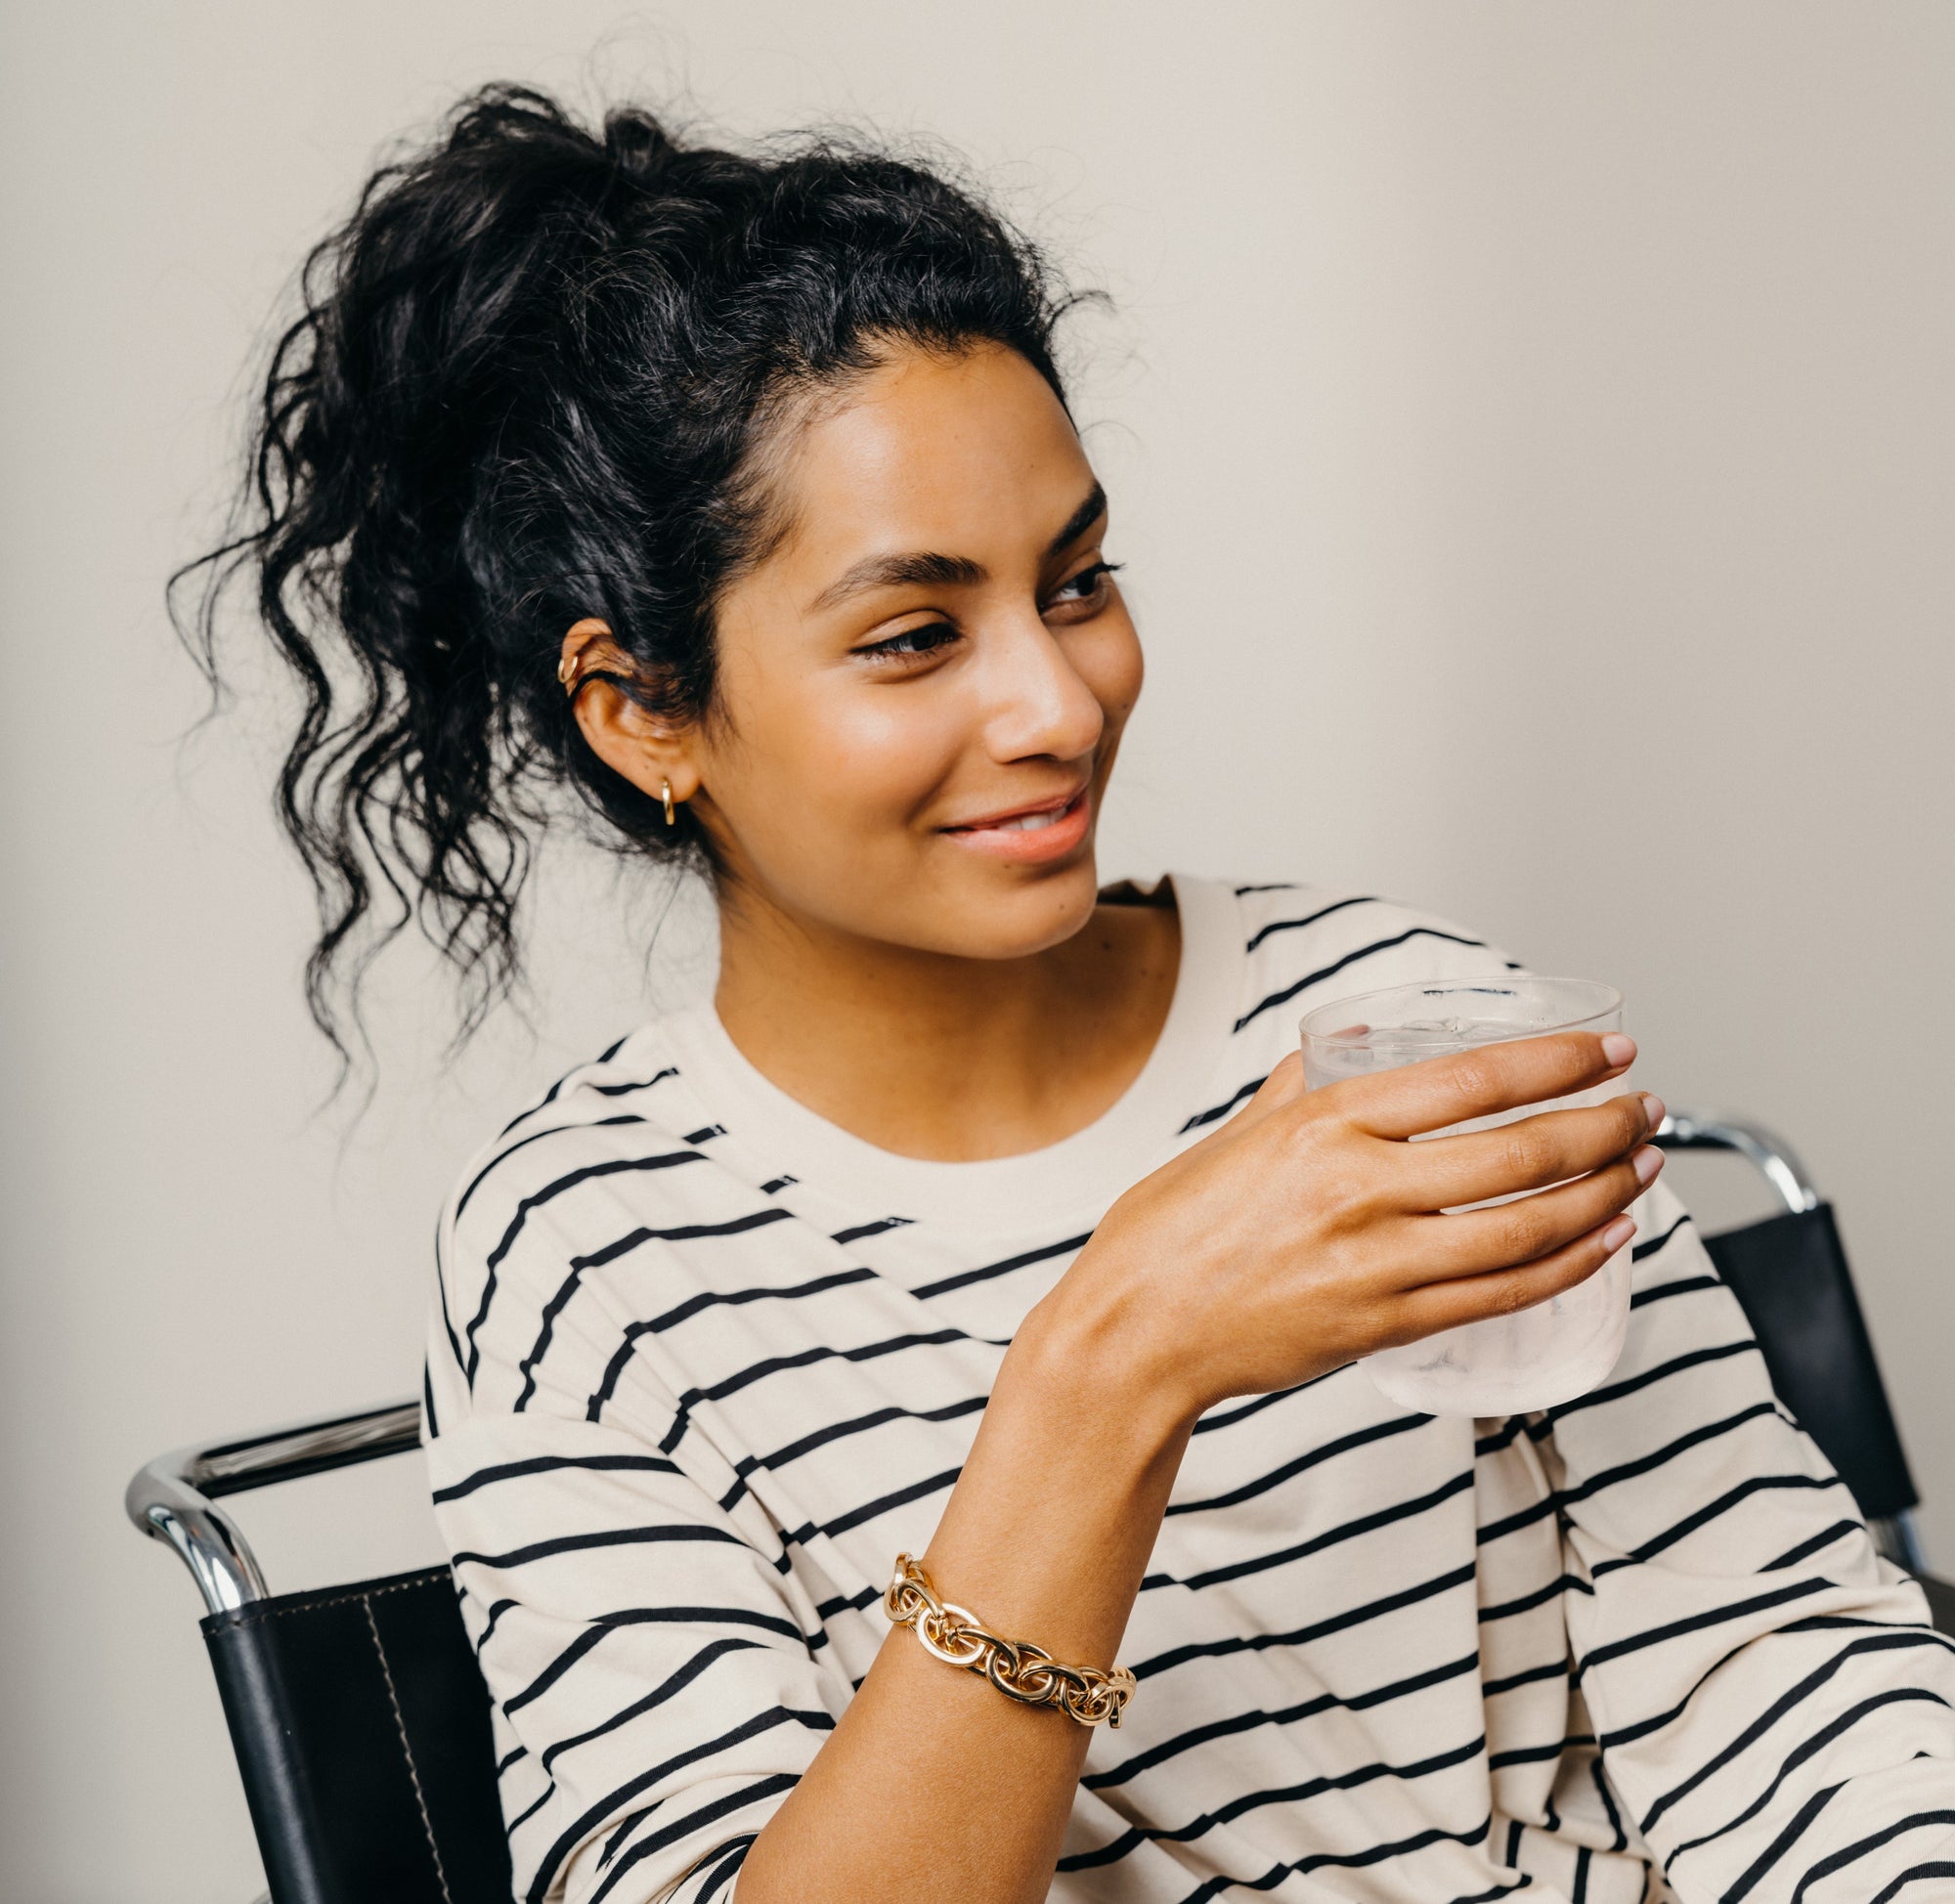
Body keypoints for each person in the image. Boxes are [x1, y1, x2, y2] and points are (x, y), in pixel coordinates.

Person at [189, 82, 1955, 1904]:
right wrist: (1115, 1361)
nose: (1060, 704)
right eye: (913, 635)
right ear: (643, 709)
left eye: (1080, 580)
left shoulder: (1405, 1020)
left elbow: (1778, 1672)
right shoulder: (586, 1264)